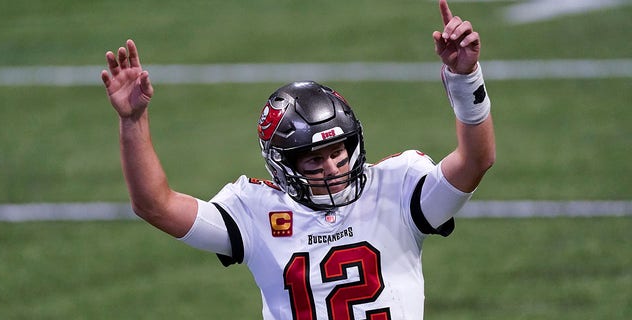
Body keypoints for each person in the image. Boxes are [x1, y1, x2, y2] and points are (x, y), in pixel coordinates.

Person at [101, 0, 495, 318]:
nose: (331, 168)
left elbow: (476, 161)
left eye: (338, 151)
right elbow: (155, 205)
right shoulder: (254, 211)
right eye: (313, 160)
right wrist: (133, 121)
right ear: (282, 165)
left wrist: (466, 78)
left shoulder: (398, 186)